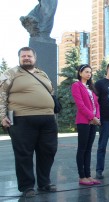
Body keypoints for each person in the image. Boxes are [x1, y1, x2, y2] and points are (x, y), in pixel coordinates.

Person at [0, 47, 58, 197]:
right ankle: (27, 186)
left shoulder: (42, 73)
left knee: (48, 151)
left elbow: (50, 92)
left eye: (29, 56)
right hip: (21, 119)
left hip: (47, 119)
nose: (26, 58)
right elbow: (1, 94)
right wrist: (1, 116)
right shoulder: (11, 73)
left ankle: (44, 183)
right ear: (19, 58)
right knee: (24, 154)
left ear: (34, 58)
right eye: (23, 56)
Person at [71, 64, 101, 186]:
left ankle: (88, 175)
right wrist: (92, 117)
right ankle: (82, 176)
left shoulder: (91, 87)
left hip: (93, 122)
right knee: (82, 149)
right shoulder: (76, 85)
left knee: (89, 149)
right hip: (84, 121)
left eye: (90, 72)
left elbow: (97, 105)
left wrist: (97, 118)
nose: (89, 74)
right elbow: (80, 104)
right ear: (80, 73)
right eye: (86, 72)